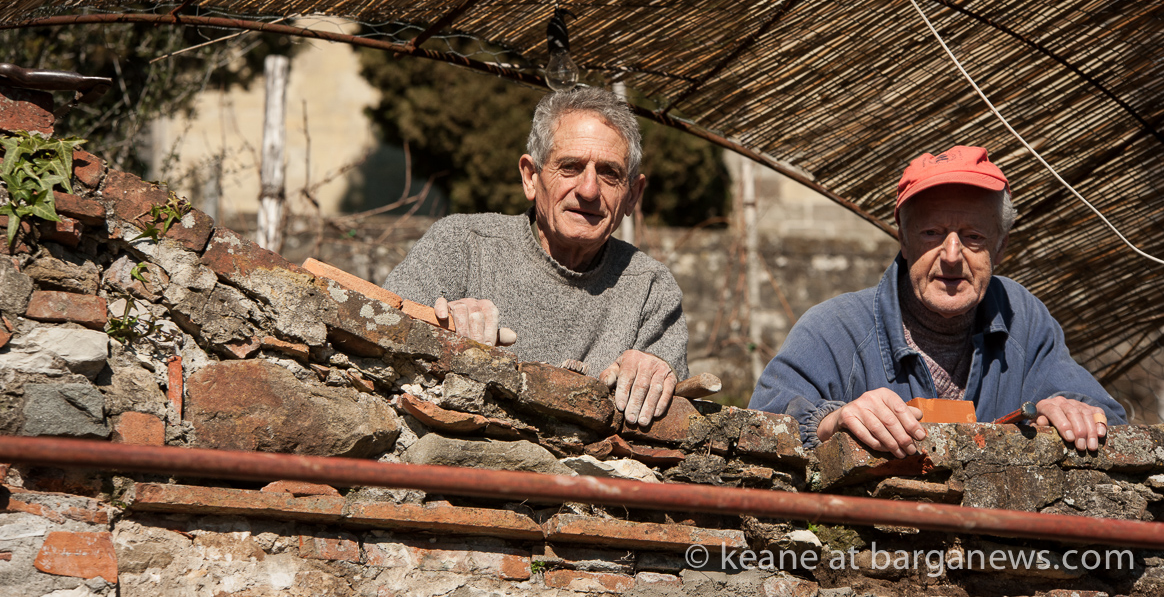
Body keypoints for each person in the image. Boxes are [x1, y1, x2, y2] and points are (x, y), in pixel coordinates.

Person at [750, 146, 1126, 455]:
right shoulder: (834, 328)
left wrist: (1073, 411)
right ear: (904, 238)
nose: (951, 254)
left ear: (1001, 245)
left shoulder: (1022, 318)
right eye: (931, 233)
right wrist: (831, 422)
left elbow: (1110, 419)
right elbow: (758, 425)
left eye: (973, 236)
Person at [384, 86, 688, 426]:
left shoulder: (651, 290)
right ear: (531, 177)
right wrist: (434, 326)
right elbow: (379, 349)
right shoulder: (460, 245)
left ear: (633, 195)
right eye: (570, 167)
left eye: (609, 173)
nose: (589, 190)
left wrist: (654, 369)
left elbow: (668, 426)